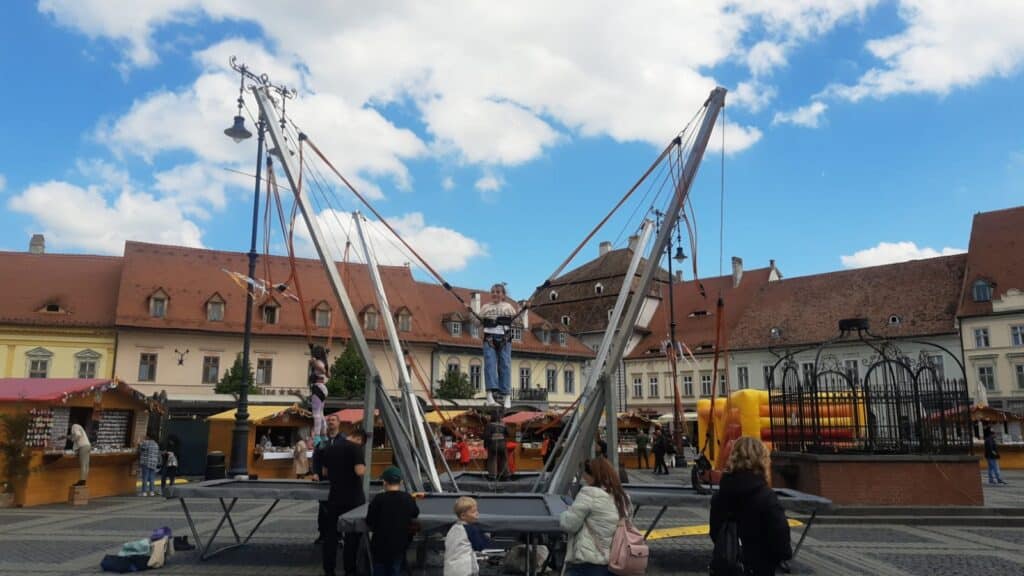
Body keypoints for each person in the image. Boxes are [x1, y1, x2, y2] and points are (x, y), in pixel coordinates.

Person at [709, 437, 792, 576]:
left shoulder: (720, 495)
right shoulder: (766, 497)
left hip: (727, 566)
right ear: (762, 460)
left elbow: (715, 532)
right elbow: (780, 535)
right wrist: (782, 557)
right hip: (760, 566)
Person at [559, 458, 629, 576]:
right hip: (615, 562)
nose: (583, 478)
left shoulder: (589, 494)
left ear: (590, 475)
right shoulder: (622, 497)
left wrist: (566, 512)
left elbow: (569, 525)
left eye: (584, 474)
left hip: (587, 563)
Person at [321, 428, 367, 576]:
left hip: (334, 496)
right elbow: (359, 471)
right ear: (359, 439)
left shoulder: (330, 448)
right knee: (351, 536)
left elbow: (325, 473)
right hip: (353, 498)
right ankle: (350, 569)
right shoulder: (355, 449)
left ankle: (329, 569)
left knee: (331, 535)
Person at [366, 466, 420, 576]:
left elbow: (369, 520)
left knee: (379, 569)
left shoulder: (378, 499)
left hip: (379, 544)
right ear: (401, 482)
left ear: (384, 482)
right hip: (399, 543)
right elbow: (415, 513)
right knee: (395, 569)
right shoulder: (407, 498)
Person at [479, 283, 518, 408]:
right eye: (493, 291)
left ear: (503, 295)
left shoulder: (508, 307)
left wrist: (524, 309)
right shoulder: (485, 307)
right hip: (489, 337)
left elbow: (517, 321)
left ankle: (506, 396)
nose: (495, 294)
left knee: (505, 365)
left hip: (504, 338)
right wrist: (470, 312)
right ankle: (490, 396)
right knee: (490, 365)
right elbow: (477, 322)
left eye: (498, 292)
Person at [313, 414, 347, 544]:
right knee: (323, 508)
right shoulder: (322, 440)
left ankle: (338, 534)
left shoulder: (344, 440)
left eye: (333, 420)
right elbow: (316, 458)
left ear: (339, 423)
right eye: (329, 420)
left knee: (338, 507)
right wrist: (315, 473)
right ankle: (323, 534)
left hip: (339, 480)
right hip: (323, 480)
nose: (331, 422)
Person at [444, 496, 492, 576]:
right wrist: (487, 536)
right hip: (464, 570)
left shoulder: (453, 528)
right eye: (473, 512)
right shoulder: (470, 529)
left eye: (477, 511)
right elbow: (479, 546)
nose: (477, 513)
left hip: (450, 569)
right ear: (463, 516)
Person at [310, 358, 329, 442]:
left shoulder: (318, 363)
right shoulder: (323, 363)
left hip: (318, 388)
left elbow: (324, 371)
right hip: (322, 388)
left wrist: (315, 362)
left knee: (316, 414)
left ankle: (317, 436)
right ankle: (324, 435)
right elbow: (328, 374)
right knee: (321, 413)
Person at [68, 423, 91, 487]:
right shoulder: (79, 427)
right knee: (86, 465)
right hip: (88, 445)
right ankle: (84, 480)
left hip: (83, 447)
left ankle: (81, 481)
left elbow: (77, 435)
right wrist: (66, 437)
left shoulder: (74, 426)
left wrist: (73, 439)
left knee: (83, 464)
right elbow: (74, 435)